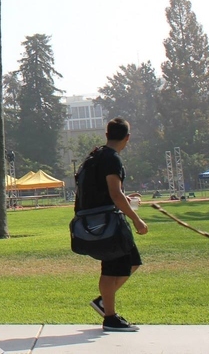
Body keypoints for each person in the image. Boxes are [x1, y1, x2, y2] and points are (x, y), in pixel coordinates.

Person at [76, 117, 148, 333]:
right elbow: (115, 194)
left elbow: (104, 190)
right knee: (112, 268)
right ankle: (110, 316)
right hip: (109, 223)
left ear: (107, 134)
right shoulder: (112, 159)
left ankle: (105, 303)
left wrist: (126, 197)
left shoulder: (94, 156)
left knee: (131, 261)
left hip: (93, 221)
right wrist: (137, 220)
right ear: (127, 137)